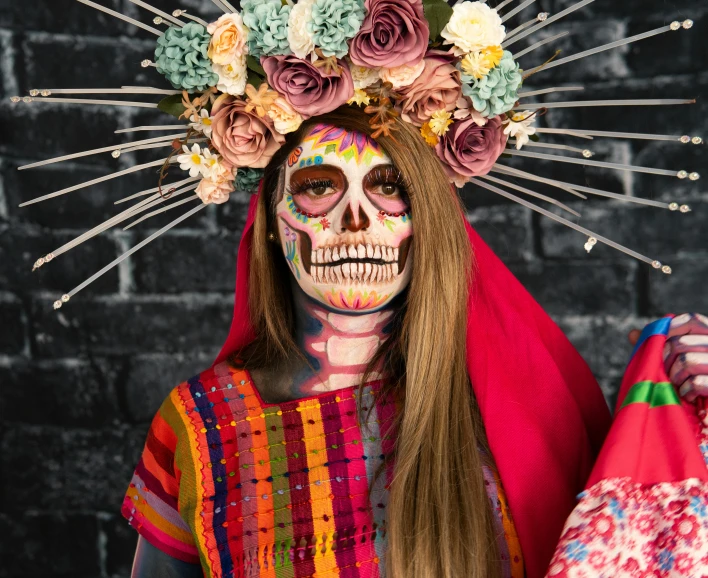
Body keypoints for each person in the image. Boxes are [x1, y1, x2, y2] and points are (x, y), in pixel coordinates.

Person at [122, 107, 708, 578]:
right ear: (272, 221)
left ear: (426, 219)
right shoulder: (199, 424)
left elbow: (639, 539)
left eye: (389, 188)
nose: (357, 217)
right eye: (319, 185)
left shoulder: (516, 397)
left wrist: (696, 410)